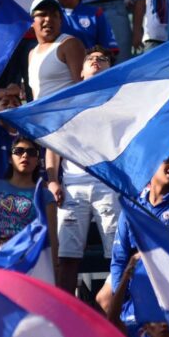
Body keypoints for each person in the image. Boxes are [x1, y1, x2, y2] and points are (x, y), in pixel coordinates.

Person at [46, 47, 119, 294]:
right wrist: (53, 179)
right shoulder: (66, 102)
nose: (96, 61)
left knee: (117, 254)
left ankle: (116, 311)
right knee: (67, 257)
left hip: (108, 184)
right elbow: (53, 144)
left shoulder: (121, 101)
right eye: (91, 59)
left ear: (111, 68)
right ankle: (66, 313)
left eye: (103, 58)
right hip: (72, 186)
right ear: (81, 70)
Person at [110, 155, 169, 320]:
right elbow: (119, 261)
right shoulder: (131, 209)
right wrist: (121, 304)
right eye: (168, 159)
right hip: (136, 307)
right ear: (151, 164)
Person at [0, 136, 58, 257]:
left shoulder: (45, 195)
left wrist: (54, 270)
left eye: (31, 152)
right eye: (18, 151)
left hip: (27, 259)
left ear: (38, 160)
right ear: (10, 158)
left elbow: (52, 239)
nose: (25, 156)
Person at [27, 0, 84, 101]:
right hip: (42, 116)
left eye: (54, 15)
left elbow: (83, 88)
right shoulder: (32, 54)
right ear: (31, 21)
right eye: (42, 14)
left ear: (60, 20)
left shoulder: (69, 44)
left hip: (67, 116)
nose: (48, 19)